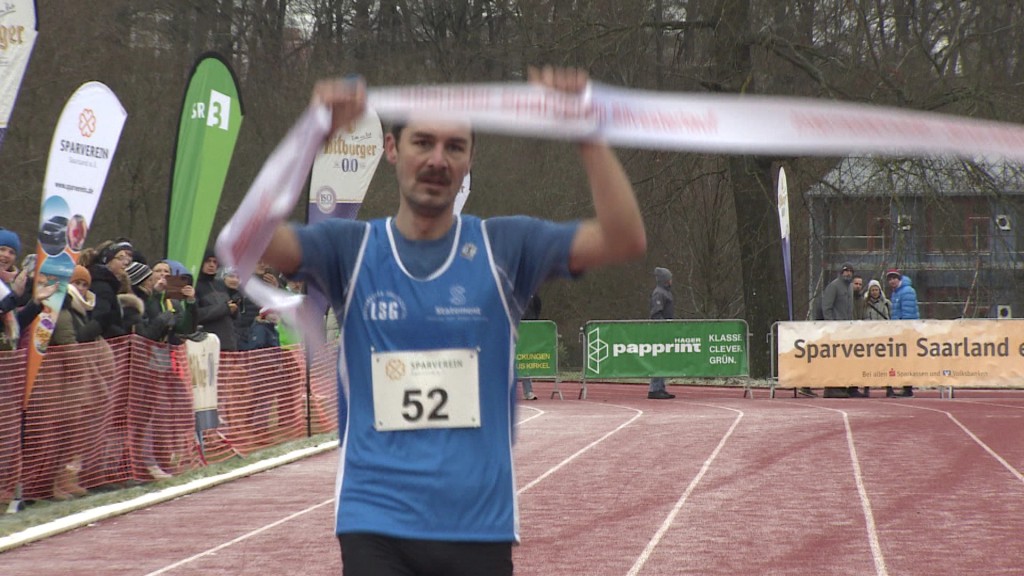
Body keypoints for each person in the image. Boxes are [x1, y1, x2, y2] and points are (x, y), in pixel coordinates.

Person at [256, 66, 645, 576]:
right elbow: (252, 240)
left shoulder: (505, 246)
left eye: (455, 147)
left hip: (477, 524)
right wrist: (311, 137)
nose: (438, 160)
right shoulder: (349, 250)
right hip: (376, 520)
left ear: (469, 160)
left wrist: (587, 134)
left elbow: (624, 239)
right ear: (390, 149)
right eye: (423, 142)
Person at [821, 263, 855, 398]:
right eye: (846, 271)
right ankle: (831, 387)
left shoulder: (850, 287)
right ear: (841, 273)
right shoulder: (834, 286)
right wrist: (831, 324)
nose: (848, 274)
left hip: (846, 329)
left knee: (843, 360)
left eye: (850, 272)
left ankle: (841, 386)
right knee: (834, 359)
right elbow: (826, 306)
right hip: (835, 329)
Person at [886, 269, 919, 398]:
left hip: (906, 331)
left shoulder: (907, 292)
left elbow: (908, 313)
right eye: (890, 279)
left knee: (907, 360)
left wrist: (904, 329)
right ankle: (905, 386)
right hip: (898, 330)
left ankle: (908, 388)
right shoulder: (896, 293)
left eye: (894, 278)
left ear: (899, 279)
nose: (892, 281)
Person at [648, 267, 675, 399]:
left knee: (663, 360)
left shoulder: (666, 292)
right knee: (658, 360)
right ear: (665, 280)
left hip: (666, 330)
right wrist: (663, 326)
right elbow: (656, 313)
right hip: (660, 331)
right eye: (670, 278)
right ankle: (655, 388)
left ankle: (660, 386)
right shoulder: (659, 293)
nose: (671, 280)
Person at [518, 294, 541, 401]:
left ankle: (528, 392)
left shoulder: (533, 295)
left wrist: (534, 324)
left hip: (527, 333)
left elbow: (537, 308)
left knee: (525, 360)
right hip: (512, 330)